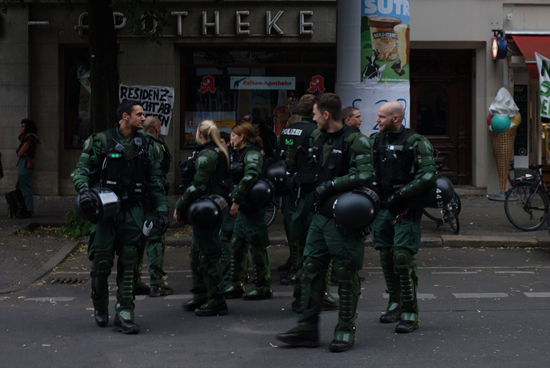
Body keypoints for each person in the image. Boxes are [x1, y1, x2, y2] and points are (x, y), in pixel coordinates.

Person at [276, 93, 375, 352]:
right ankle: (307, 327)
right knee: (310, 268)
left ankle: (344, 329)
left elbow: (365, 173)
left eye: (316, 115)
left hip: (343, 216)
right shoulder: (317, 138)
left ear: (327, 115)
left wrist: (332, 184)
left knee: (344, 274)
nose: (313, 118)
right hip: (319, 215)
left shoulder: (356, 140)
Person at [71, 100, 169, 334]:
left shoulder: (148, 144)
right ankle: (100, 304)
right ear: (125, 116)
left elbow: (155, 180)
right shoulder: (100, 141)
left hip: (133, 211)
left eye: (144, 115)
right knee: (101, 262)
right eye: (139, 114)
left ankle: (125, 312)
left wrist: (162, 209)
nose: (143, 118)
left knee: (129, 262)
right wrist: (83, 189)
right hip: (105, 209)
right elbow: (81, 169)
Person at [370, 101, 437, 333]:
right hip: (382, 208)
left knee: (402, 258)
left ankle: (410, 311)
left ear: (395, 119)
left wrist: (402, 194)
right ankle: (395, 303)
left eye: (381, 117)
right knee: (386, 257)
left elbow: (428, 174)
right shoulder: (375, 140)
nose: (377, 120)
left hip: (405, 208)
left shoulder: (416, 142)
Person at [223, 123, 273, 300]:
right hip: (245, 207)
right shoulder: (238, 153)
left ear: (242, 137)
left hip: (252, 207)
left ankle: (263, 286)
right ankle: (236, 283)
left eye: (233, 136)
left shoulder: (251, 154)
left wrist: (236, 200)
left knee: (256, 245)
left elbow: (250, 175)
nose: (231, 139)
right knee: (237, 244)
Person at [134, 116, 173, 297]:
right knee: (155, 240)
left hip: (134, 201)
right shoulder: (157, 146)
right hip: (151, 200)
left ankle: (132, 281)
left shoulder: (134, 142)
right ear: (157, 128)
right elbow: (156, 179)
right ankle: (157, 283)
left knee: (136, 241)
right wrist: (162, 207)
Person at [218, 131, 235, 278]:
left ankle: (230, 273)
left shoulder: (230, 157)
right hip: (224, 201)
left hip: (230, 202)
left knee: (227, 237)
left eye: (222, 142)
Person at [16, 119, 40, 218]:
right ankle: (23, 207)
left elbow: (19, 153)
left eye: (23, 126)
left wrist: (21, 152)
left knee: (24, 187)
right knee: (20, 185)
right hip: (25, 163)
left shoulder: (29, 139)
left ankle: (28, 209)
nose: (21, 128)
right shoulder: (29, 138)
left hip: (25, 163)